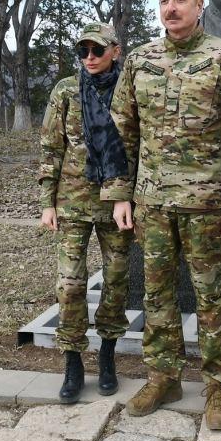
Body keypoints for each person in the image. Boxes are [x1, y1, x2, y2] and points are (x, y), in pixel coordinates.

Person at [101, 0, 221, 430]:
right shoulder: (139, 61)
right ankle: (164, 376)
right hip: (151, 202)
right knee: (157, 293)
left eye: (180, 0)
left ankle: (217, 386)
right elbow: (121, 133)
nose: (171, 8)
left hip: (207, 204)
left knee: (210, 296)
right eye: (164, 1)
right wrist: (119, 194)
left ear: (199, 6)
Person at [38, 23, 132, 403]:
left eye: (97, 50)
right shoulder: (65, 91)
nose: (89, 58)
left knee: (117, 280)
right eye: (83, 52)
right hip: (72, 202)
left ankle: (107, 356)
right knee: (70, 285)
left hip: (117, 202)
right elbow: (50, 147)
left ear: (115, 51)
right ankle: (73, 361)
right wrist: (47, 202)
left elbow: (137, 145)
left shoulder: (129, 89)